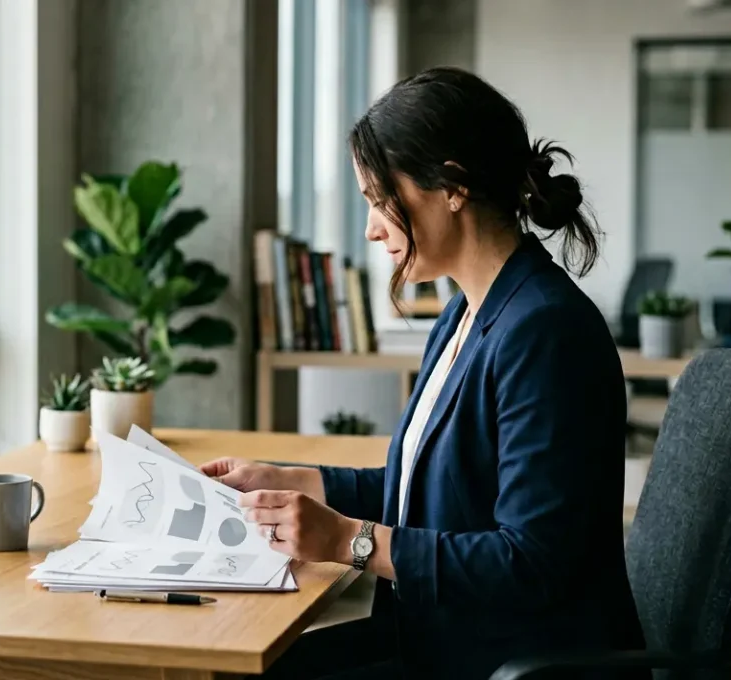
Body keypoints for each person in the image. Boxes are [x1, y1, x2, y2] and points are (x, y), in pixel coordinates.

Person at [201, 67, 646, 679]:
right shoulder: (467, 308)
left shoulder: (545, 332)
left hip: (499, 660)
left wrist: (348, 541)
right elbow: (436, 487)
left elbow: (530, 563)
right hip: (435, 638)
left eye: (382, 199)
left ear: (452, 187)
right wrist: (294, 480)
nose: (371, 227)